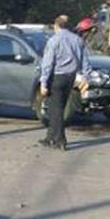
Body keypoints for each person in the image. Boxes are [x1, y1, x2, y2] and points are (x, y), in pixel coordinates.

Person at [39, 15, 91, 151]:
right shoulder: (78, 40)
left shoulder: (54, 40)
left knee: (55, 110)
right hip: (70, 77)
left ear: (56, 26)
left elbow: (48, 63)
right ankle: (50, 137)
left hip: (56, 77)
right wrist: (86, 77)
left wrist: (43, 82)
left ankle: (60, 140)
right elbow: (85, 61)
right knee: (58, 108)